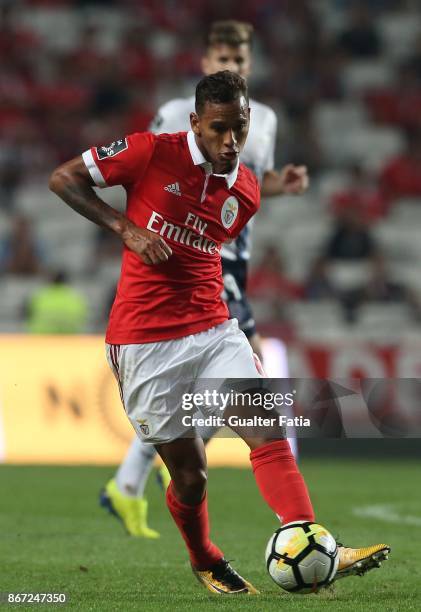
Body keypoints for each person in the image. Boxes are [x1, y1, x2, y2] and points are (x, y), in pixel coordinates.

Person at [50, 70, 390, 594]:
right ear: (195, 123)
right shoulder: (148, 152)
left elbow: (209, 249)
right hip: (144, 342)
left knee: (267, 430)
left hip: (213, 328)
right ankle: (204, 557)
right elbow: (63, 178)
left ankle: (310, 535)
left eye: (240, 128)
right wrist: (127, 229)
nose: (231, 142)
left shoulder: (247, 190)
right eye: (219, 129)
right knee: (191, 476)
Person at [100, 20, 307, 538]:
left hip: (231, 256)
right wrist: (138, 230)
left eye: (238, 59)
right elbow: (159, 177)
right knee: (247, 381)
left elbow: (244, 186)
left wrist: (281, 185)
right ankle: (132, 481)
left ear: (250, 64)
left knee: (232, 388)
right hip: (192, 265)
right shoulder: (173, 114)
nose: (229, 66)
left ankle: (129, 482)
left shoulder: (264, 120)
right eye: (221, 57)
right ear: (204, 61)